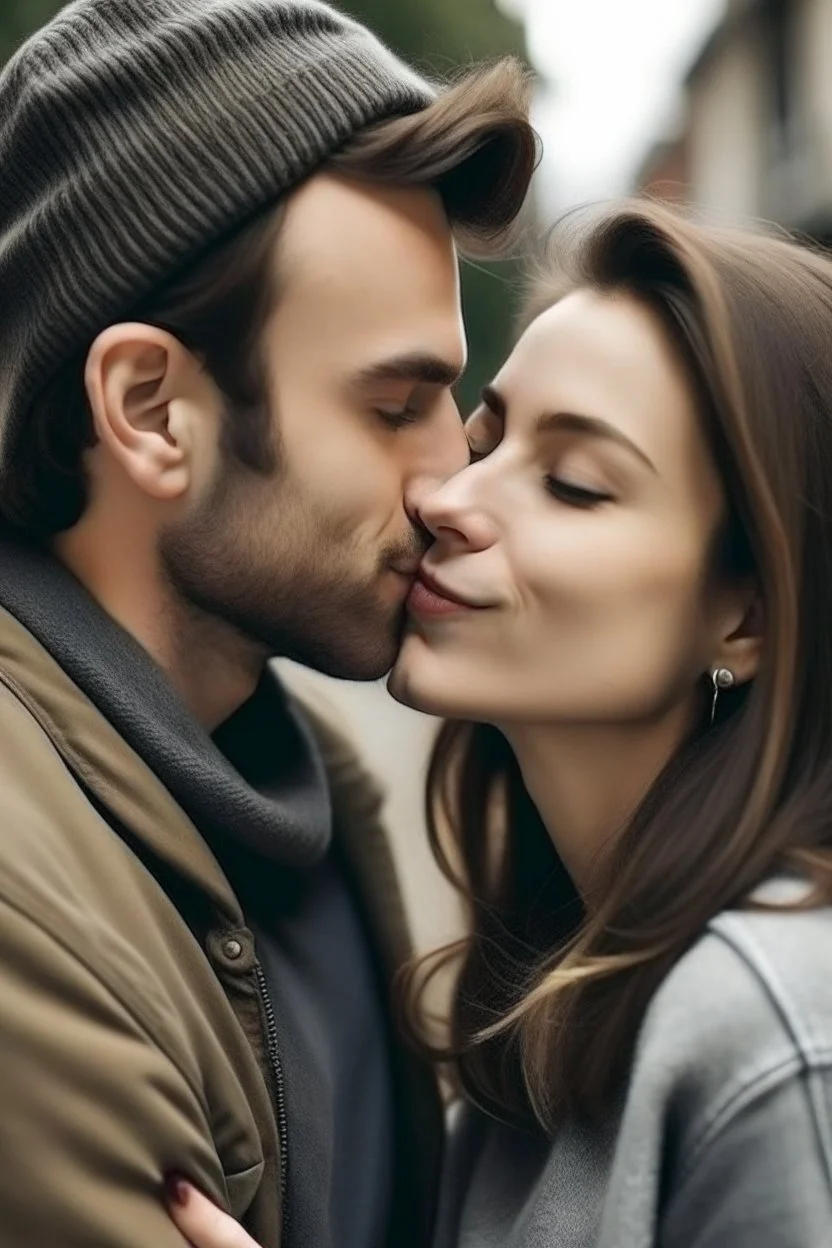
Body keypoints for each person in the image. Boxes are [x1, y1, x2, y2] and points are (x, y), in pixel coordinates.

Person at [171, 200, 832, 1248]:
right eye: (486, 440)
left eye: (572, 485)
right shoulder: (545, 1017)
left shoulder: (772, 1031)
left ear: (745, 613)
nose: (452, 500)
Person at [0, 1, 536, 1244]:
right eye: (396, 403)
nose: (450, 476)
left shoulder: (307, 780)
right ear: (149, 410)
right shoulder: (26, 909)